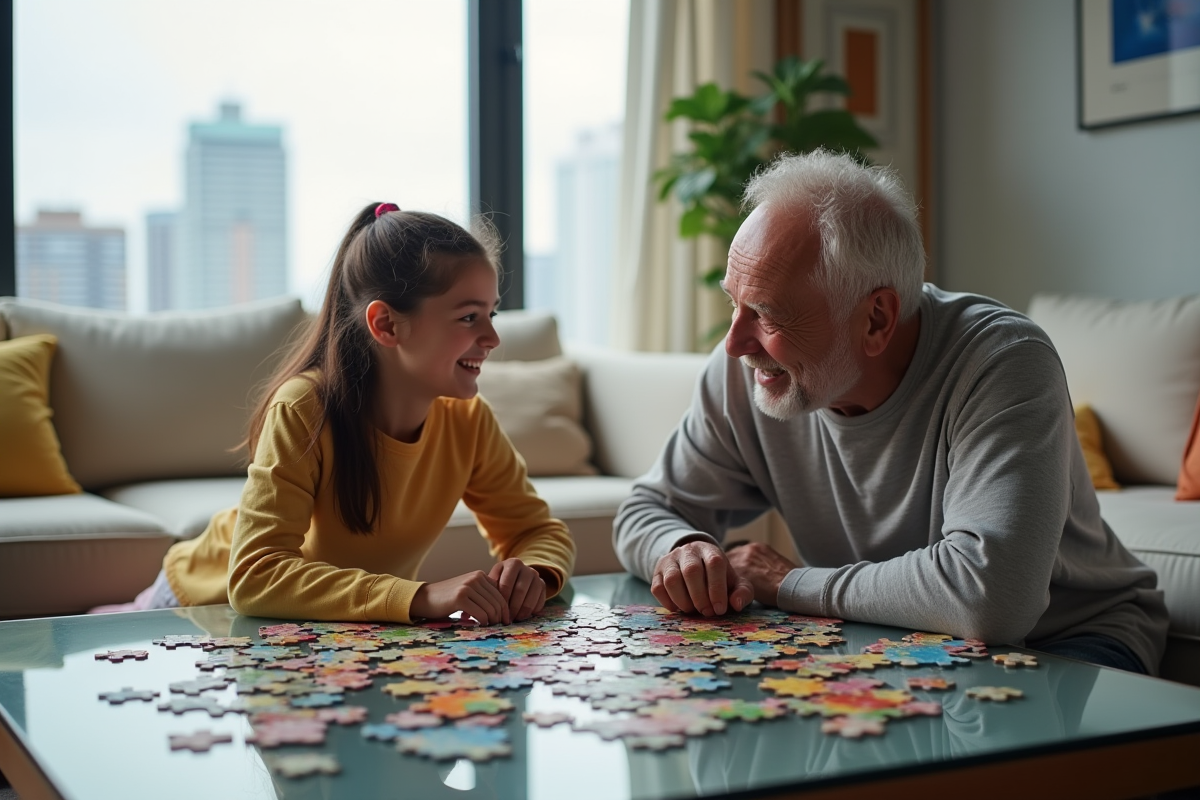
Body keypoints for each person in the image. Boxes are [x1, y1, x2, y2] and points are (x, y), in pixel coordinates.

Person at [613, 149, 1168, 674]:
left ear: (876, 319)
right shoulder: (748, 372)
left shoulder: (1003, 361)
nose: (734, 342)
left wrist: (787, 584)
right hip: (888, 636)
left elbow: (991, 598)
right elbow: (646, 509)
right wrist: (683, 551)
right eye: (734, 302)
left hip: (1068, 640)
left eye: (767, 313)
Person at [94, 202, 575, 624]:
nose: (492, 338)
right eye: (469, 317)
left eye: (491, 314)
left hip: (329, 630)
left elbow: (535, 530)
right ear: (386, 324)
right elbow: (256, 577)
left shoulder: (468, 420)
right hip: (200, 606)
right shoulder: (304, 407)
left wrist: (534, 573)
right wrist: (421, 595)